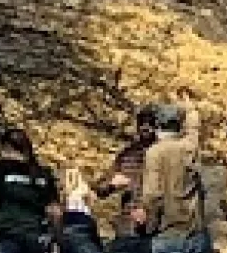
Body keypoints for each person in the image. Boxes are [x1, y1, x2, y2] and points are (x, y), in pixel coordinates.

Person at [0, 129, 61, 253]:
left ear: (7, 147)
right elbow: (55, 212)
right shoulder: (43, 173)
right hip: (37, 237)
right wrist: (58, 239)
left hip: (7, 236)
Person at [139, 104, 209, 253]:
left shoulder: (154, 153)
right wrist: (190, 108)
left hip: (168, 234)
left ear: (157, 125)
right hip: (197, 233)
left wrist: (147, 222)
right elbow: (194, 129)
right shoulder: (190, 148)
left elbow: (152, 195)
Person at [97, 106, 158, 253]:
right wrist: (111, 185)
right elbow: (100, 189)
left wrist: (149, 212)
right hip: (127, 230)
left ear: (156, 127)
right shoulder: (126, 155)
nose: (145, 127)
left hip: (156, 232)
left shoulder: (164, 156)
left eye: (150, 124)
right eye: (142, 123)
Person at [55, 167, 104, 253]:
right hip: (79, 215)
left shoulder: (74, 189)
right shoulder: (77, 189)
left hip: (73, 216)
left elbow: (62, 205)